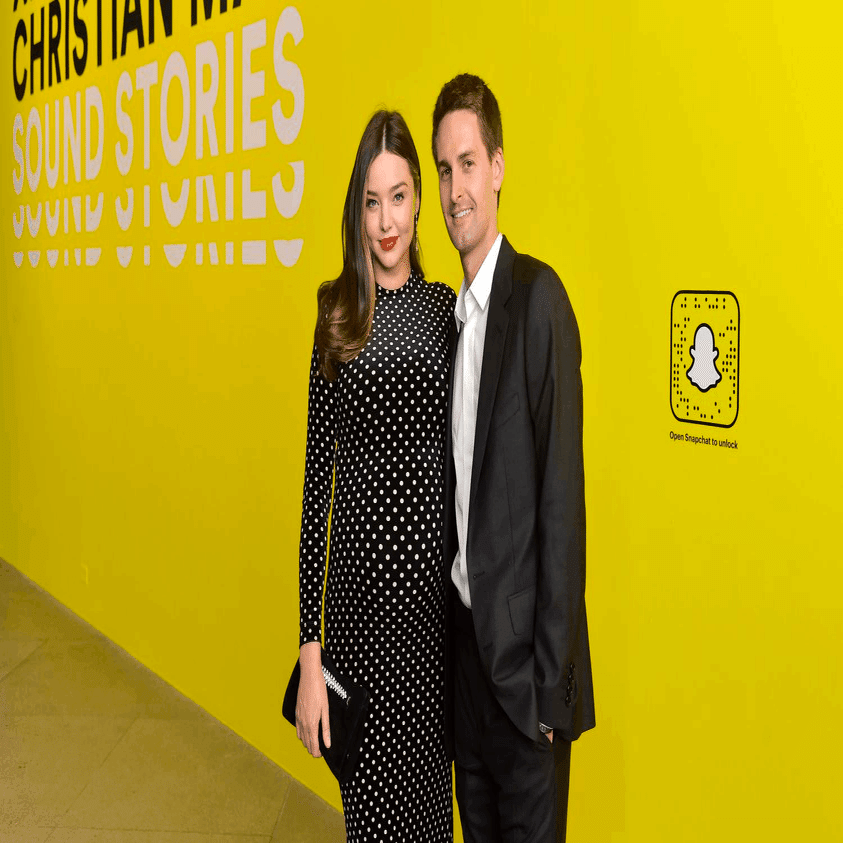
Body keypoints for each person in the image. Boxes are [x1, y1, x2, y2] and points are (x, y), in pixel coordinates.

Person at [432, 73, 596, 842]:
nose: (454, 189)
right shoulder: (451, 323)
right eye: (443, 170)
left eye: (467, 164)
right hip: (467, 676)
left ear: (497, 167)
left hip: (527, 688)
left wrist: (551, 699)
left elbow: (561, 509)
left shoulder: (538, 300)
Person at [295, 110, 455, 843]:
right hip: (359, 625)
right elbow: (314, 493)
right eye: (370, 201)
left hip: (432, 623)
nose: (385, 221)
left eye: (397, 197)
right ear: (356, 210)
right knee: (372, 823)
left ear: (419, 197)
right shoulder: (337, 314)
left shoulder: (447, 312)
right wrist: (310, 649)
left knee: (428, 819)